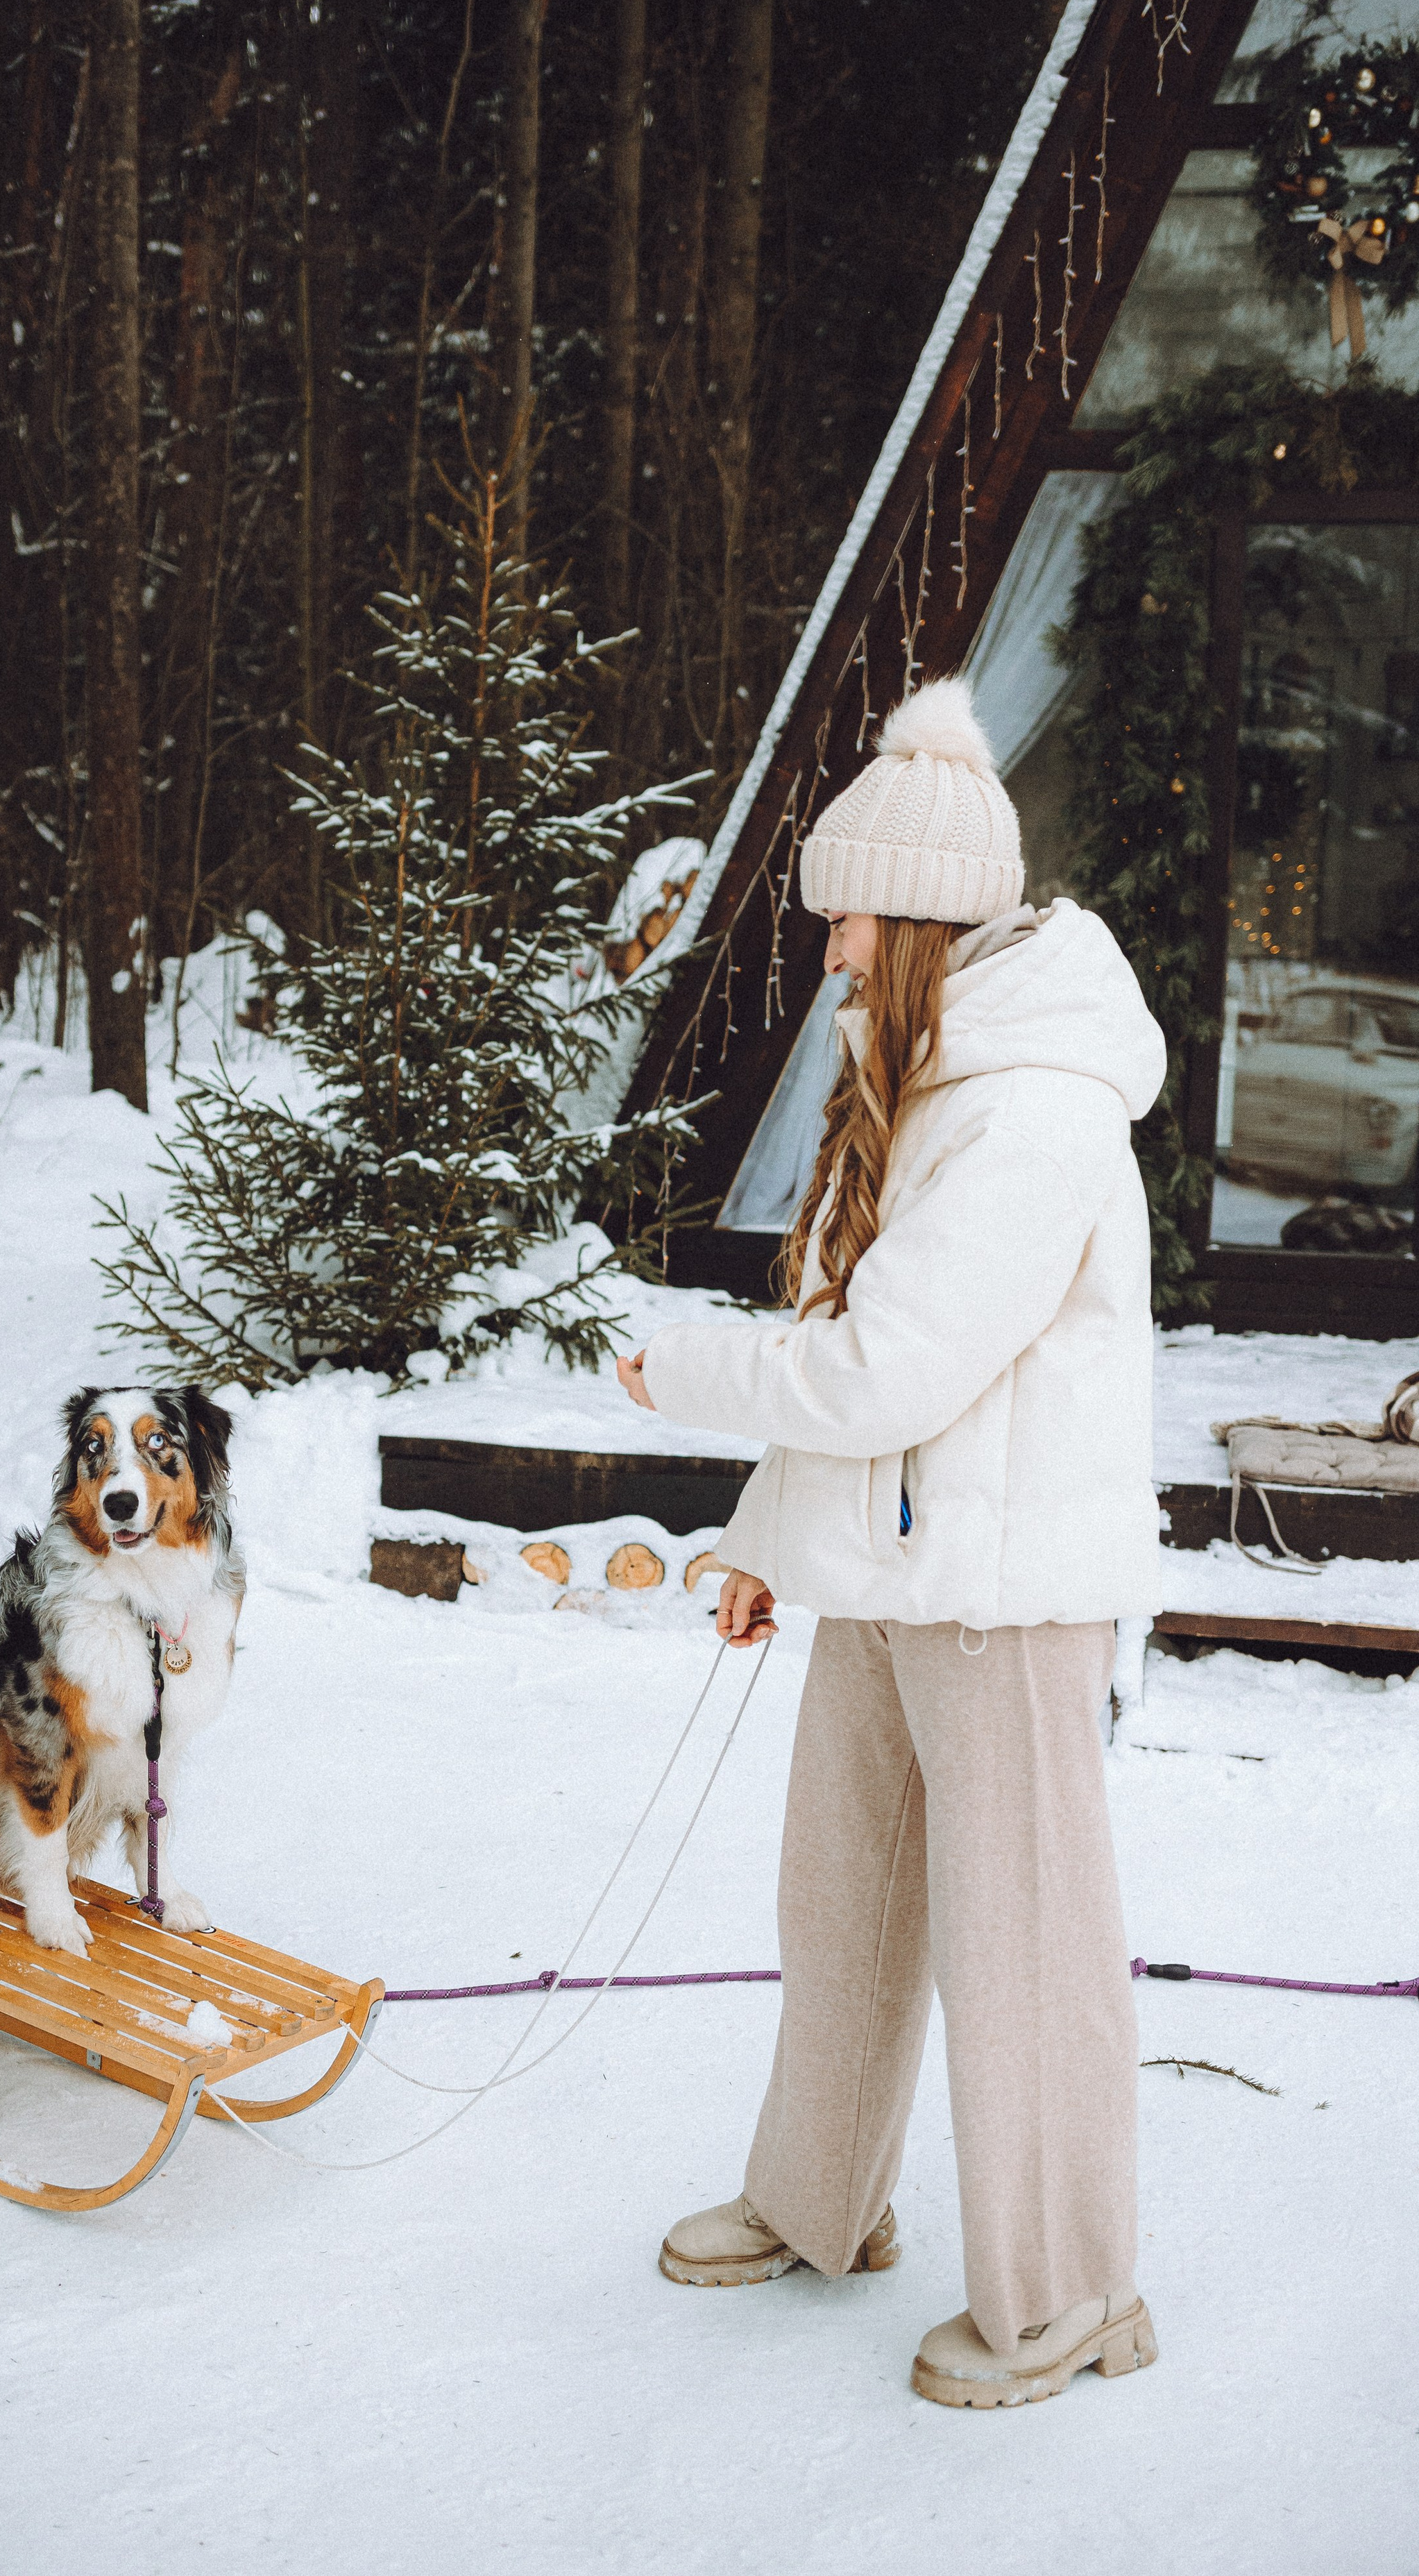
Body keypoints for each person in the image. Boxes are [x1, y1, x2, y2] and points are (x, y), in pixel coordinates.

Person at [615, 675, 1165, 2409]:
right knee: (841, 1906)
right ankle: (816, 2203)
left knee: (1021, 1949)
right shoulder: (924, 1073)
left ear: (922, 915)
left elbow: (885, 1365)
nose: (832, 945)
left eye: (851, 910)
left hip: (1002, 1604)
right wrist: (775, 1541)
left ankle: (1066, 2294)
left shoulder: (1034, 1110)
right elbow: (872, 1385)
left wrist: (676, 1370)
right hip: (896, 1580)